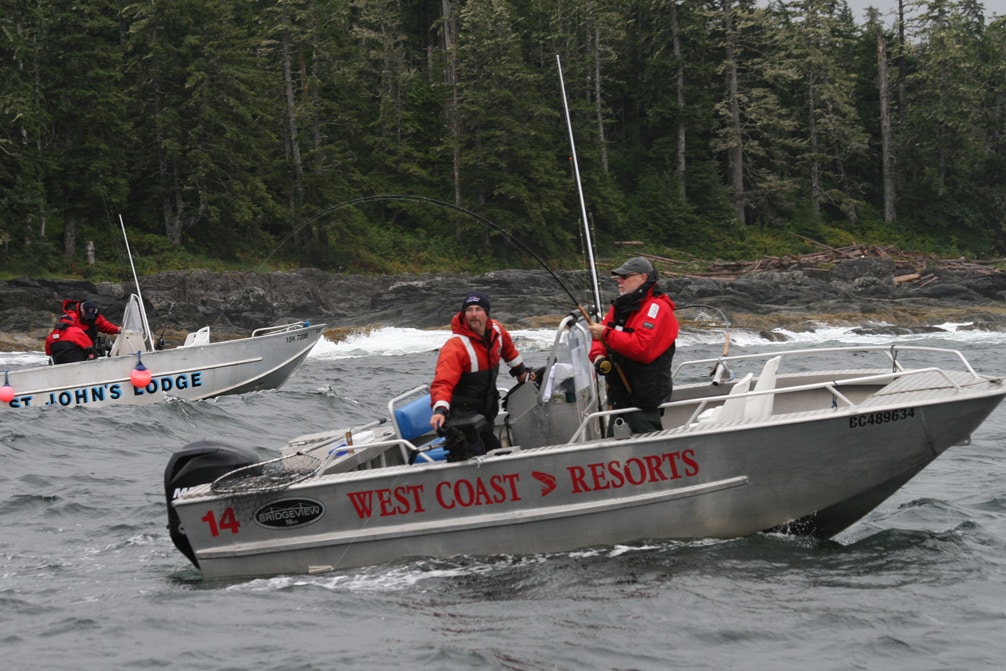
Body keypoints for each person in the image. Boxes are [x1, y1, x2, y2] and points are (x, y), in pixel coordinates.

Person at [429, 291, 535, 461]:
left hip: (485, 414)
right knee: (480, 458)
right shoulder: (455, 347)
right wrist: (440, 410)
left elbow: (509, 351)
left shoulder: (497, 332)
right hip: (462, 419)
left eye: (478, 309)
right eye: (469, 310)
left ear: (487, 313)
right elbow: (442, 382)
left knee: (497, 454)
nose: (474, 314)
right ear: (464, 315)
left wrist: (521, 372)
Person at [588, 257, 679, 434]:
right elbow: (597, 336)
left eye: (625, 276)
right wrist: (598, 357)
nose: (619, 281)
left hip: (645, 399)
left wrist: (606, 334)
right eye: (618, 278)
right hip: (620, 397)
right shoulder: (620, 307)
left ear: (643, 278)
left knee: (647, 448)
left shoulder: (657, 308)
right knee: (615, 443)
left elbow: (641, 348)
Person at [44, 299, 121, 364]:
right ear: (82, 310)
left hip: (88, 344)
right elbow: (61, 329)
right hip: (76, 347)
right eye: (87, 315)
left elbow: (104, 325)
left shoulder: (95, 316)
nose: (89, 318)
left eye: (91, 315)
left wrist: (117, 329)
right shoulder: (71, 317)